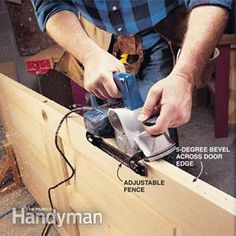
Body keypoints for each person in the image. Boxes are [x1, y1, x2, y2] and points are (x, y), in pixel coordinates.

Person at [31, 0, 232, 136]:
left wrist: (184, 75)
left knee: (154, 125)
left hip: (164, 28)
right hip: (100, 40)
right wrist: (89, 54)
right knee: (109, 126)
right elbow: (51, 3)